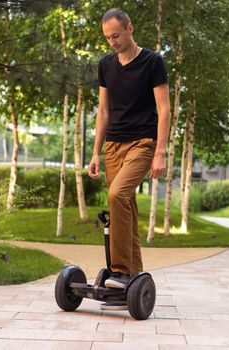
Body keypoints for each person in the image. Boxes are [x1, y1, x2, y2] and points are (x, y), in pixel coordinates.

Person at [88, 8, 170, 294]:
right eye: (107, 37)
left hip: (142, 143)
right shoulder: (106, 65)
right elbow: (103, 111)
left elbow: (164, 108)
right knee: (125, 205)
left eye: (116, 35)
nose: (112, 41)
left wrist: (160, 151)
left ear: (130, 28)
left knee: (117, 195)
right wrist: (96, 152)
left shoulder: (152, 62)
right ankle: (135, 277)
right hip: (113, 145)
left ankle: (121, 271)